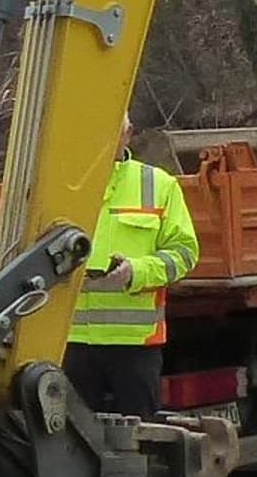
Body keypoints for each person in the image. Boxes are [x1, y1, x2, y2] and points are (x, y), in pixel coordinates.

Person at [61, 124, 200, 420]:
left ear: (127, 134)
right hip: (70, 342)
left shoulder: (158, 185)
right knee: (72, 446)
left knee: (139, 441)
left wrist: (136, 271)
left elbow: (185, 253)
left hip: (134, 345)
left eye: (114, 128)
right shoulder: (61, 184)